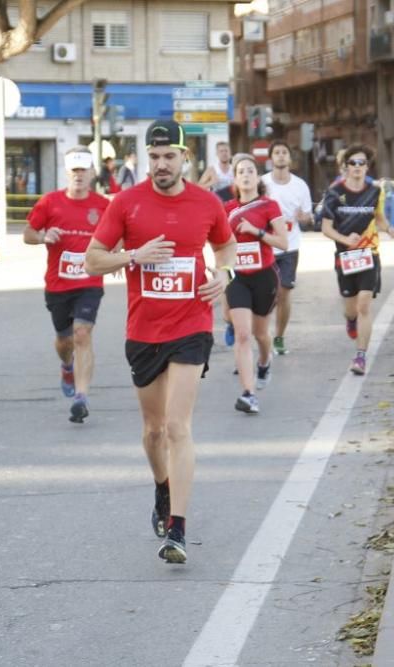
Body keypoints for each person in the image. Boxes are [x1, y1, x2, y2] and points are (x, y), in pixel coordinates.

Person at [84, 120, 236, 564]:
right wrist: (133, 255)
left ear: (185, 158)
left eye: (170, 156)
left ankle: (178, 530)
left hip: (191, 325)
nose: (161, 164)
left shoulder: (207, 203)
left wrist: (225, 275)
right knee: (153, 432)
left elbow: (226, 249)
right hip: (144, 331)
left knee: (177, 427)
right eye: (154, 157)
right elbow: (93, 260)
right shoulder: (126, 204)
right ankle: (162, 487)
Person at [23, 147, 110, 423]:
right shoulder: (50, 203)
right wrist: (42, 237)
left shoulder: (103, 205)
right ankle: (66, 365)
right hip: (58, 285)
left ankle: (81, 397)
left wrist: (117, 257)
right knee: (65, 340)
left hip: (90, 281)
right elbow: (27, 234)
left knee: (82, 333)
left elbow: (117, 235)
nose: (79, 176)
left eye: (83, 170)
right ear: (67, 172)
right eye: (74, 171)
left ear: (92, 173)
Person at [319, 145, 394, 376]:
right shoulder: (334, 193)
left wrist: (389, 227)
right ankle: (351, 320)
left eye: (362, 163)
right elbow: (325, 228)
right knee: (351, 309)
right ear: (345, 167)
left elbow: (380, 219)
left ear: (367, 167)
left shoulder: (375, 192)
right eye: (353, 163)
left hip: (369, 253)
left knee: (364, 304)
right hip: (345, 256)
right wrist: (345, 239)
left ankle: (360, 356)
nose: (357, 167)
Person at [224, 154, 288, 414]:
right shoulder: (226, 209)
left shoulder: (269, 206)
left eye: (251, 170)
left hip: (264, 276)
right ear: (236, 179)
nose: (246, 175)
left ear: (257, 177)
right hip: (237, 277)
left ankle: (264, 362)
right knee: (242, 333)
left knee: (261, 334)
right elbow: (218, 242)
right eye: (241, 172)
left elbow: (282, 242)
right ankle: (249, 393)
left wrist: (256, 232)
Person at [261, 140, 313, 356]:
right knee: (266, 295)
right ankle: (262, 332)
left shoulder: (300, 186)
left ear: (290, 159)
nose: (281, 156)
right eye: (277, 152)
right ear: (271, 158)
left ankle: (279, 336)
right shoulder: (262, 183)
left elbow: (309, 216)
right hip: (266, 245)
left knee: (284, 292)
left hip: (290, 246)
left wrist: (305, 218)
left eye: (284, 152)